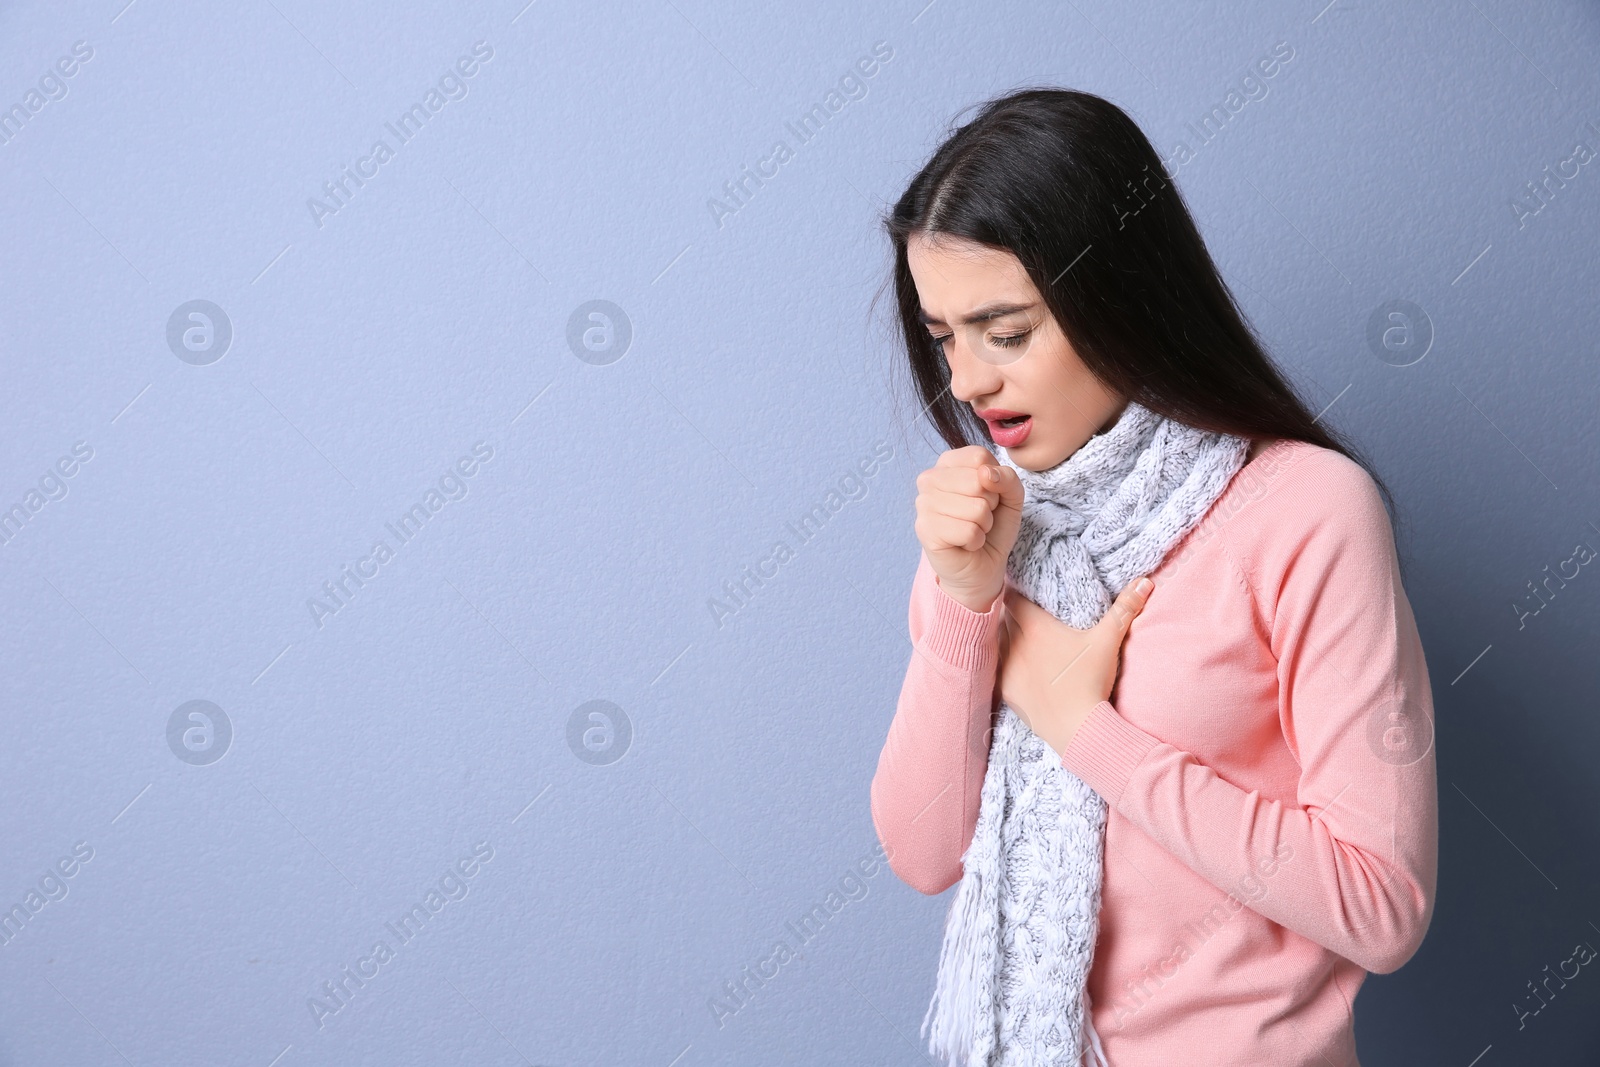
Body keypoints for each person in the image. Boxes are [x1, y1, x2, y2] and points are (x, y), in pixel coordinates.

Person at [869, 87, 1438, 1066]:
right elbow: (923, 853)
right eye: (942, 336)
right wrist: (968, 602)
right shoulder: (990, 531)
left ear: (1118, 298)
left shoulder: (1303, 510)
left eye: (1005, 332)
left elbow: (1378, 904)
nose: (967, 381)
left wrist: (1081, 722)